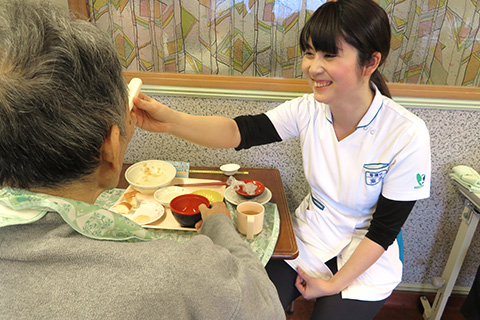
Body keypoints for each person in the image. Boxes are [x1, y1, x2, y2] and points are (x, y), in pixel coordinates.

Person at [130, 0, 431, 319]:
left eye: (330, 55)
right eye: (310, 52)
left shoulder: (407, 134)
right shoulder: (308, 109)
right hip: (310, 235)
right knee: (247, 306)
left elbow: (383, 231)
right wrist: (170, 121)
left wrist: (332, 285)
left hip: (367, 252)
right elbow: (239, 132)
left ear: (370, 62)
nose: (314, 67)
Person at [0, 1, 285, 319]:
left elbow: (241, 131)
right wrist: (219, 224)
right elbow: (263, 308)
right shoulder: (181, 271)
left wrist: (171, 121)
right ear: (110, 149)